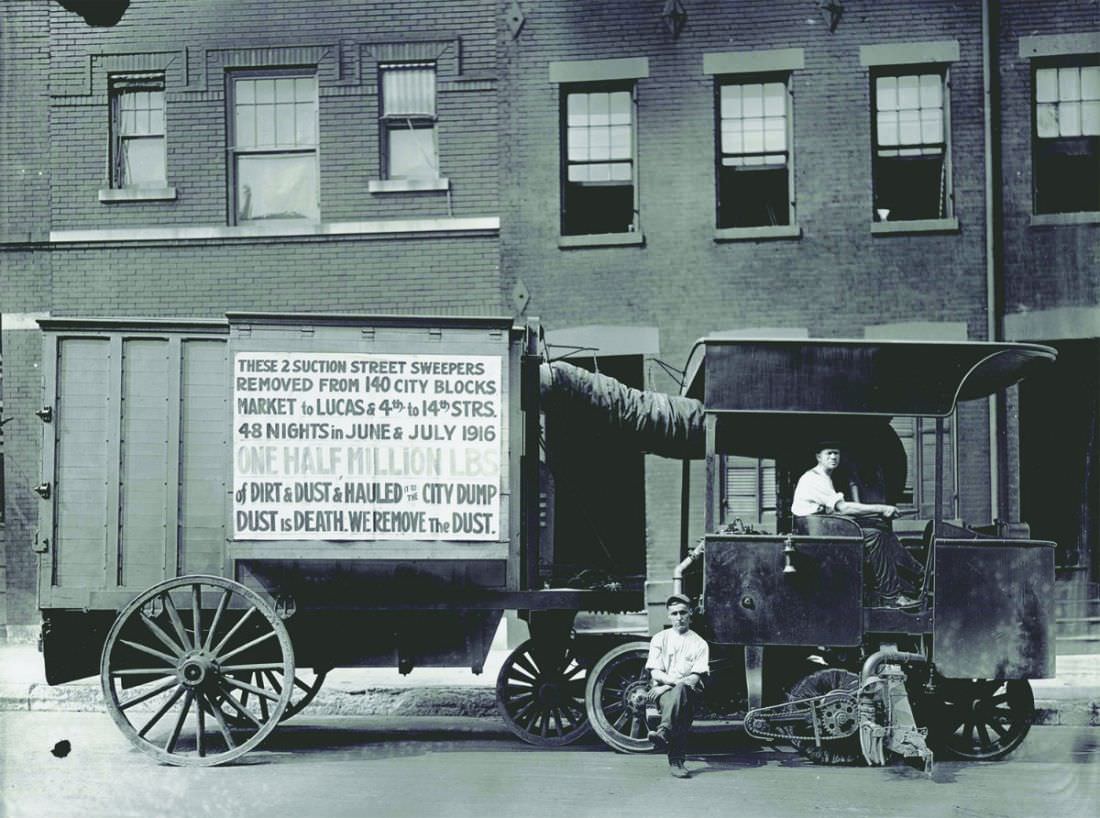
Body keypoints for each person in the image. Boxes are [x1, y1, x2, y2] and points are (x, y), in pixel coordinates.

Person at [791, 441, 925, 607]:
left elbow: (837, 511)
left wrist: (878, 514)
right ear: (818, 456)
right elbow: (844, 507)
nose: (833, 457)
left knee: (879, 526)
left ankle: (919, 573)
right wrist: (881, 508)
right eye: (829, 453)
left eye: (836, 453)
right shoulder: (815, 479)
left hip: (823, 528)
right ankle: (892, 595)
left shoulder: (823, 476)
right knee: (874, 536)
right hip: (817, 535)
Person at [645, 593, 709, 778]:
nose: (679, 618)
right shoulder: (659, 639)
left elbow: (694, 678)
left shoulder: (699, 644)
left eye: (683, 613)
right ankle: (677, 762)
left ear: (690, 614)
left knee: (681, 692)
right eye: (674, 614)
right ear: (668, 616)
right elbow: (655, 672)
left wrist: (666, 686)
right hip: (665, 694)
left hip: (688, 691)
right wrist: (669, 686)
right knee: (678, 702)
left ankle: (664, 733)